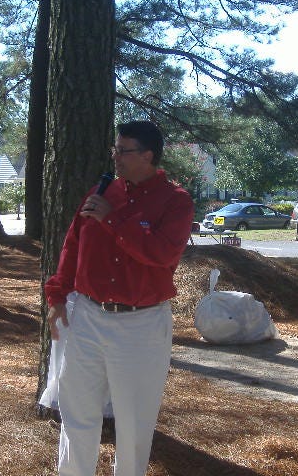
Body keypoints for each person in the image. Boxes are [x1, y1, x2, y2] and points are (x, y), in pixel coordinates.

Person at [44, 120, 194, 476]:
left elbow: (162, 254)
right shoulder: (102, 191)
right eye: (115, 149)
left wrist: (114, 220)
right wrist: (57, 296)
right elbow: (73, 245)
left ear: (147, 155)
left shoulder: (175, 201)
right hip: (88, 316)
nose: (116, 157)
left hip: (140, 324)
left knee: (134, 424)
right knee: (77, 414)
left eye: (123, 150)